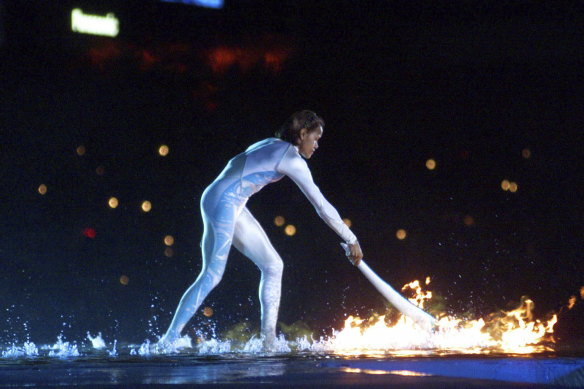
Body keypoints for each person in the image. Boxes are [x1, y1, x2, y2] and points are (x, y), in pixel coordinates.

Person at [159, 110, 363, 349]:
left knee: (274, 266)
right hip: (224, 201)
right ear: (302, 133)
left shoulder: (271, 143)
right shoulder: (291, 158)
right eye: (315, 138)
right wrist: (351, 239)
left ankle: (268, 343)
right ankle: (167, 340)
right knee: (212, 274)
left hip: (227, 201)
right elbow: (321, 206)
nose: (317, 145)